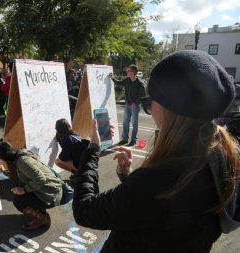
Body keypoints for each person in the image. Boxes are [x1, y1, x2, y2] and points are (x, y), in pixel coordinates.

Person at [73, 50, 240, 253]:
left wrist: (92, 149)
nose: (149, 107)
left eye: (150, 101)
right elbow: (162, 210)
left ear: (170, 109)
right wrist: (128, 178)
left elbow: (84, 210)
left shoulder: (162, 177)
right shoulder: (221, 156)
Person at [0, 141, 62, 231]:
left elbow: (40, 179)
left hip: (52, 195)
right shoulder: (19, 157)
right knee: (20, 194)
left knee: (19, 200)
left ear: (3, 157)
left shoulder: (22, 162)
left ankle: (41, 220)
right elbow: (19, 175)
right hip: (49, 190)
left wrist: (24, 189)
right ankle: (40, 209)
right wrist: (4, 171)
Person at [109, 65, 146, 146]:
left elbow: (143, 96)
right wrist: (112, 78)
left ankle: (133, 140)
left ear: (133, 72)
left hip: (135, 106)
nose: (127, 72)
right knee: (125, 122)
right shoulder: (127, 80)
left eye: (129, 71)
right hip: (127, 104)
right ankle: (125, 139)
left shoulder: (140, 83)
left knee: (134, 123)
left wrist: (135, 103)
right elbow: (119, 83)